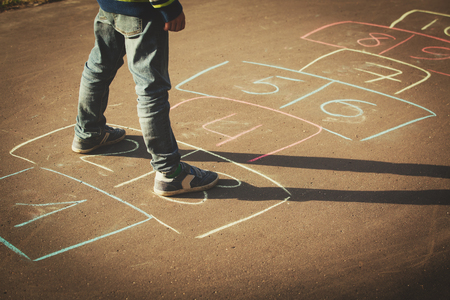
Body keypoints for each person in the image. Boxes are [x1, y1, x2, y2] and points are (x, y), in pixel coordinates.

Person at [71, 0, 218, 196]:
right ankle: (170, 172)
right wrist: (169, 7)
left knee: (98, 68)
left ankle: (88, 132)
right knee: (151, 88)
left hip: (108, 6)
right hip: (140, 10)